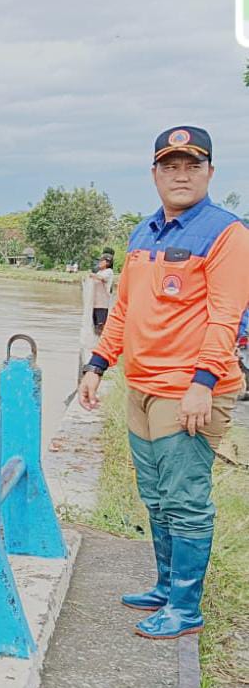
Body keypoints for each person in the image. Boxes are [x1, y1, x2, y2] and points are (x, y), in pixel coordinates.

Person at [78, 126, 249, 640]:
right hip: (143, 385)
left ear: (210, 173)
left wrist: (202, 382)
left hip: (191, 389)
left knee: (186, 498)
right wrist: (98, 364)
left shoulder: (227, 233)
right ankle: (166, 584)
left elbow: (225, 315)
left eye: (192, 166)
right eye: (170, 166)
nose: (180, 175)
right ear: (155, 173)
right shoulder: (143, 232)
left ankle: (186, 607)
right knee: (154, 495)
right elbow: (125, 308)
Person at [89, 253, 115, 335]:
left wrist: (92, 275)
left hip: (102, 304)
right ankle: (96, 344)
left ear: (107, 263)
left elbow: (102, 278)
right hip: (95, 304)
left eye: (101, 261)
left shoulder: (109, 271)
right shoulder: (99, 272)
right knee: (95, 326)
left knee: (101, 326)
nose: (99, 262)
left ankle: (102, 343)